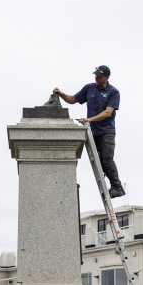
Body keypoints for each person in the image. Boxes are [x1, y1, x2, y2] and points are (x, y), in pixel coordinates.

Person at [53, 65, 125, 198]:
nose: (97, 78)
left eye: (100, 76)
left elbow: (108, 112)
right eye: (96, 76)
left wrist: (89, 119)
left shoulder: (113, 92)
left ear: (107, 77)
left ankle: (117, 187)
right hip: (93, 132)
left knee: (107, 160)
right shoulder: (89, 88)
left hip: (106, 132)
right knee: (99, 161)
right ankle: (108, 182)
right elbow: (73, 99)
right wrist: (61, 94)